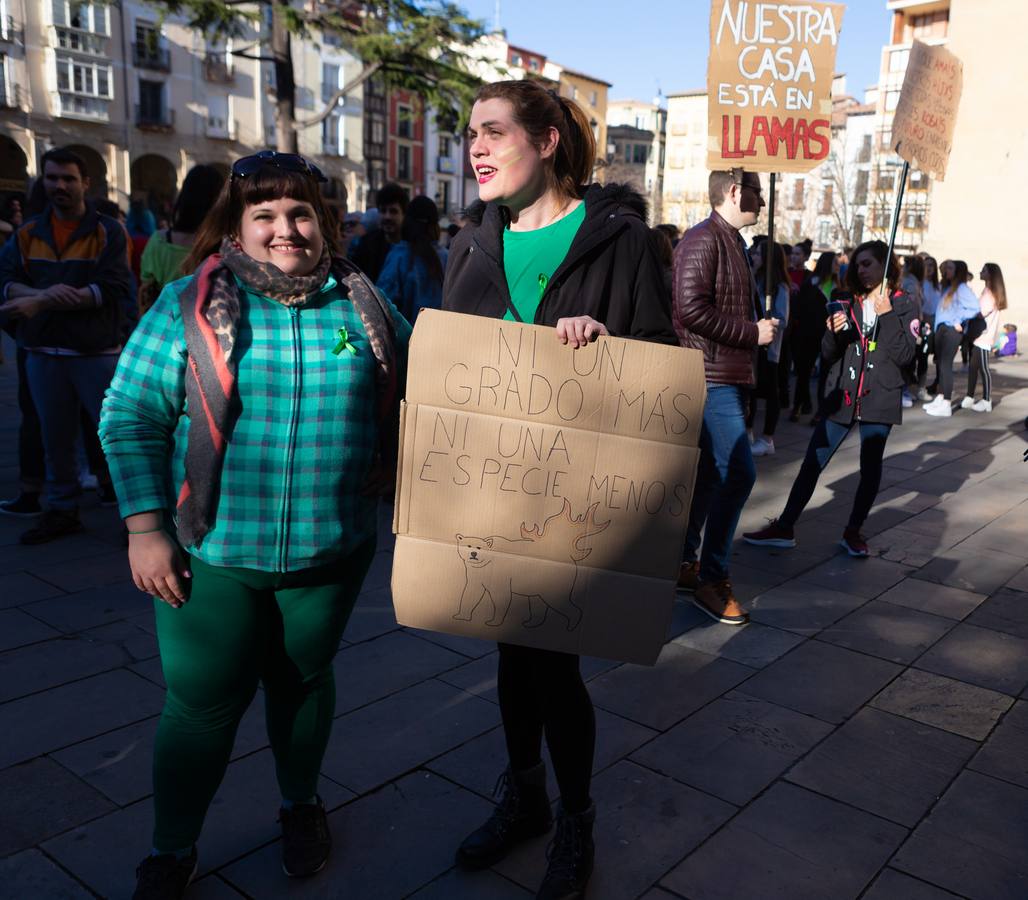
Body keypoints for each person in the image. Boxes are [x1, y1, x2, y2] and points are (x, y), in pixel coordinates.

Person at [99, 150, 410, 899]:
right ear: (236, 226)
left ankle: (301, 805)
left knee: (303, 684)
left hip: (332, 550)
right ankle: (172, 848)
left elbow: (437, 385)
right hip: (210, 554)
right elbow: (129, 415)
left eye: (299, 212)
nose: (285, 229)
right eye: (264, 214)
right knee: (201, 707)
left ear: (323, 219)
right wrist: (145, 529)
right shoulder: (186, 302)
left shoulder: (363, 304)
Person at [443, 79, 676, 900]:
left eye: (493, 132)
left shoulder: (620, 240)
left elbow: (660, 367)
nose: (474, 147)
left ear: (546, 141)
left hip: (574, 502)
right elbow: (451, 371)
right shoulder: (472, 243)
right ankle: (525, 792)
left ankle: (572, 816)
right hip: (492, 491)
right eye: (469, 133)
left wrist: (606, 346)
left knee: (553, 661)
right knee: (511, 649)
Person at [743, 240, 917, 557]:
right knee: (813, 462)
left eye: (867, 263)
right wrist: (832, 333)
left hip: (880, 397)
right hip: (843, 395)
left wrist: (888, 316)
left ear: (884, 265)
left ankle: (854, 531)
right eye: (857, 264)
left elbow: (905, 355)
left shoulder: (904, 303)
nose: (860, 269)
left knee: (870, 468)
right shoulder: (843, 298)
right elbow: (828, 354)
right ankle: (785, 526)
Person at [0, 147, 133, 542]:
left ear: (86, 184)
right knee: (53, 437)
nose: (60, 185)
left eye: (68, 178)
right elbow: (5, 282)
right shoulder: (27, 234)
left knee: (117, 435)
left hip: (97, 353)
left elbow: (112, 287)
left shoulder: (108, 231)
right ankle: (61, 509)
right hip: (43, 352)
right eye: (52, 177)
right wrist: (33, 292)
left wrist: (38, 299)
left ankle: (139, 515)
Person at [674, 167, 778, 625]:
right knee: (738, 473)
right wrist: (751, 332)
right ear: (736, 192)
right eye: (756, 191)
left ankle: (683, 564)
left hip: (723, 374)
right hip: (709, 376)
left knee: (712, 478)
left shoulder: (730, 241)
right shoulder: (704, 240)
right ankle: (711, 579)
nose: (762, 200)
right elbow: (690, 308)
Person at [138, 165, 226, 314]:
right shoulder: (225, 244)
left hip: (166, 325)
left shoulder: (158, 241)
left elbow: (146, 293)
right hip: (211, 326)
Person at [747, 240, 790, 456]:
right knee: (751, 392)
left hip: (769, 350)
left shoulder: (779, 287)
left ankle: (767, 438)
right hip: (753, 345)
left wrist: (765, 322)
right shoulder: (754, 279)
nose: (753, 257)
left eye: (757, 254)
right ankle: (749, 434)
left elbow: (783, 320)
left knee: (770, 393)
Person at [376, 194, 446, 324]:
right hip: (441, 339)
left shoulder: (398, 256)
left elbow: (381, 303)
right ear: (435, 226)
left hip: (407, 340)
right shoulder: (447, 257)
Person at [924, 259, 980, 417]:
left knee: (946, 365)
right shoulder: (948, 288)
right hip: (942, 329)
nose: (945, 270)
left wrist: (958, 319)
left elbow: (975, 308)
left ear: (957, 271)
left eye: (949, 268)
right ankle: (941, 398)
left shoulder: (962, 288)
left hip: (951, 331)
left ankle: (947, 403)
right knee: (941, 364)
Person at [789, 250, 837, 423]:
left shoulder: (837, 285)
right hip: (807, 333)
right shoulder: (811, 282)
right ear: (827, 264)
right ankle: (799, 405)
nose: (838, 266)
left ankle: (820, 411)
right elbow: (800, 307)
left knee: (825, 374)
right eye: (835, 263)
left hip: (828, 335)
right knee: (803, 372)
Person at [961, 263, 1007, 412]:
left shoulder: (990, 293)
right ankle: (970, 396)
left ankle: (987, 400)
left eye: (984, 270)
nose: (980, 271)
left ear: (991, 274)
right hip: (978, 336)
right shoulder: (987, 290)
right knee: (973, 368)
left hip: (983, 336)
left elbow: (980, 313)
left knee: (984, 369)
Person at [349, 182, 408, 281]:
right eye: (383, 211)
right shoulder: (366, 244)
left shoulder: (412, 246)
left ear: (404, 214)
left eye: (393, 211)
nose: (387, 216)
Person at [899, 255, 925, 408]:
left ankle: (904, 391)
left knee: (906, 359)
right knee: (908, 360)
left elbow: (911, 304)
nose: (903, 267)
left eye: (906, 264)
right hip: (913, 324)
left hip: (909, 324)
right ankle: (904, 391)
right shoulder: (913, 282)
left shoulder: (909, 282)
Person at [916, 254, 941, 400]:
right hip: (920, 324)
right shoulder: (918, 284)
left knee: (930, 358)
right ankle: (915, 387)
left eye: (932, 265)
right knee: (917, 357)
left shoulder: (939, 286)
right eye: (926, 265)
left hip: (934, 326)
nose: (929, 268)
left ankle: (925, 387)